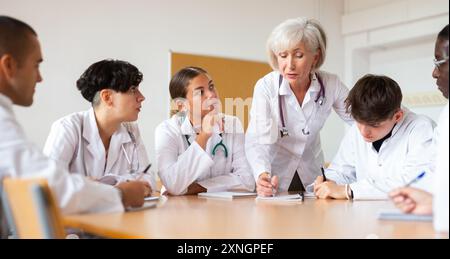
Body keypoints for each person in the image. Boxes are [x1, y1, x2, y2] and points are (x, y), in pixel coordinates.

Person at [0, 16, 150, 237]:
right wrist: (118, 193)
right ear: (9, 66)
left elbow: (146, 179)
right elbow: (46, 189)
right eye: (36, 65)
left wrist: (99, 186)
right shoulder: (67, 127)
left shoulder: (130, 130)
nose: (40, 78)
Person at [245, 17, 353, 197]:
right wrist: (262, 174)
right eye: (283, 55)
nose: (289, 65)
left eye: (298, 55)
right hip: (274, 175)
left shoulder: (331, 84)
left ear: (315, 56)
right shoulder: (266, 87)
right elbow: (257, 139)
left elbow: (362, 118)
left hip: (312, 175)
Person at [313, 74, 436, 200]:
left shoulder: (421, 128)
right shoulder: (357, 129)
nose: (364, 132)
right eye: (358, 121)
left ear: (397, 116)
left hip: (404, 213)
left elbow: (416, 181)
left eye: (374, 125)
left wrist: (349, 190)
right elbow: (342, 171)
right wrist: (329, 181)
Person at [43, 60, 156, 190]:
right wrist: (122, 188)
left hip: (122, 209)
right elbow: (50, 183)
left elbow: (148, 181)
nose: (141, 97)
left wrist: (94, 185)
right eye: (133, 89)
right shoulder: (68, 128)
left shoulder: (131, 130)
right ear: (107, 97)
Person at [155, 67, 255, 195]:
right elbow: (173, 185)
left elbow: (247, 180)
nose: (211, 95)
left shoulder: (232, 124)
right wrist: (203, 136)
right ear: (181, 105)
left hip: (222, 210)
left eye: (211, 87)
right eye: (200, 92)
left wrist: (198, 187)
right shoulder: (167, 131)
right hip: (181, 209)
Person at [390, 24, 449, 234]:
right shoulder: (447, 114)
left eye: (439, 62)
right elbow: (436, 172)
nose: (434, 73)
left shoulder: (421, 125)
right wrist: (434, 202)